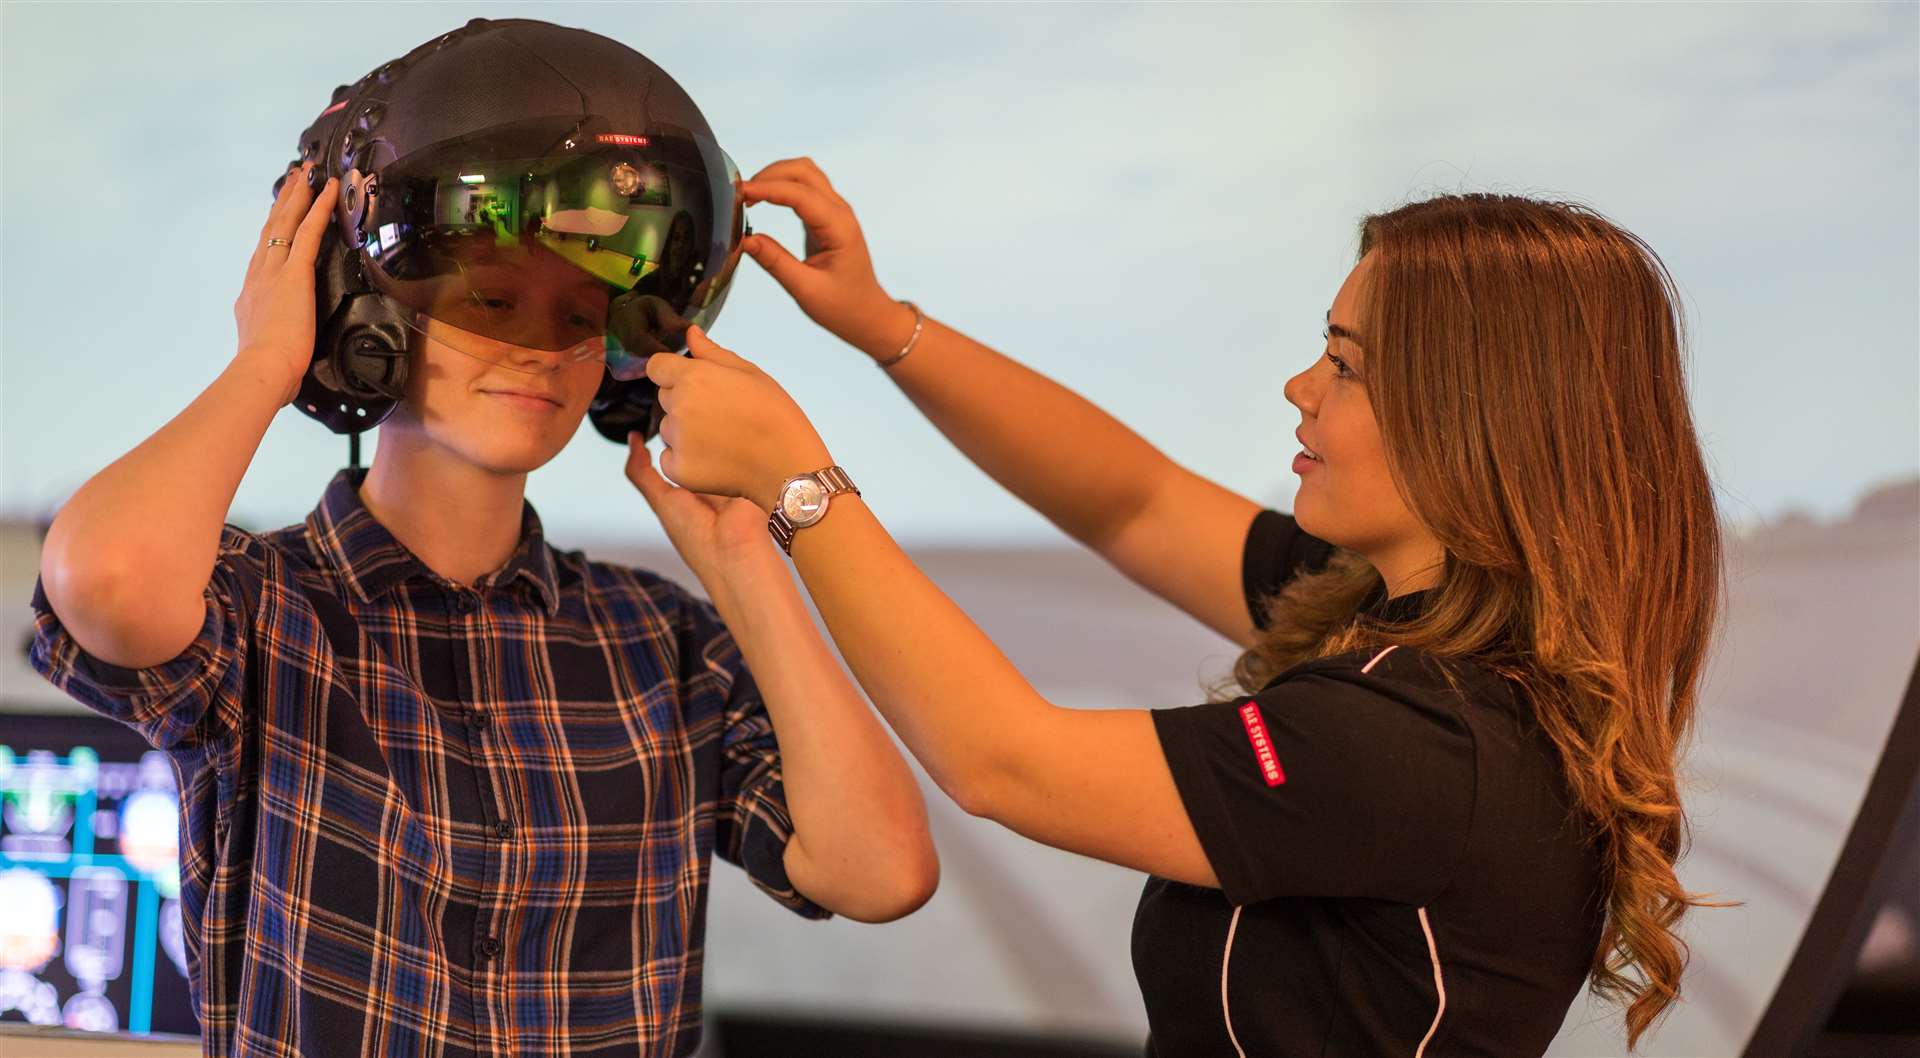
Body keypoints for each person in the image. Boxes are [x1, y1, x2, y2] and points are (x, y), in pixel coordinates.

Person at [627, 158, 1726, 1056]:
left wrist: (797, 482)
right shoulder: (1411, 628)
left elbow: (999, 758)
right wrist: (886, 328)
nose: (1301, 385)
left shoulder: (1418, 741)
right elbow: (1133, 503)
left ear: (1467, 418)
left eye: (1344, 365)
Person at [24, 24, 937, 1057]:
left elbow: (879, 871)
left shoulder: (660, 641)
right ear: (361, 314)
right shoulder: (263, 608)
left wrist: (739, 554)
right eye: (490, 299)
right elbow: (102, 578)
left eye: (582, 316)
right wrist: (269, 360)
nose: (539, 348)